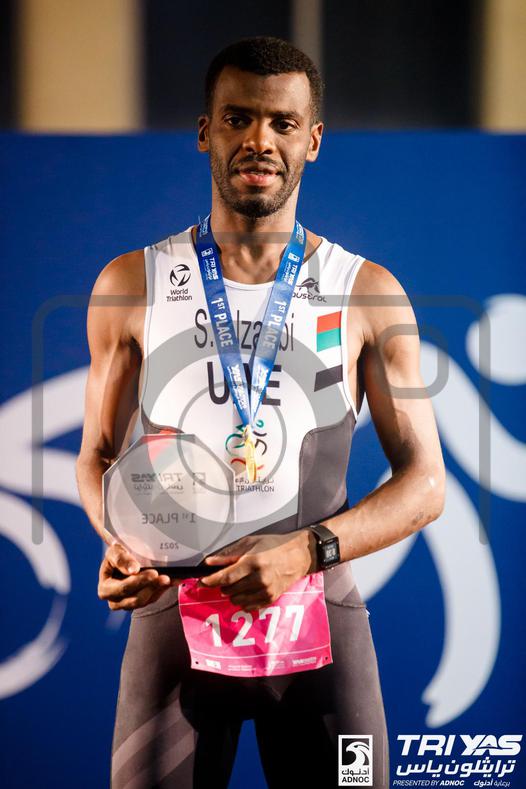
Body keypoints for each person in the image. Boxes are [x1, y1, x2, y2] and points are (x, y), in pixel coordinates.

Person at [76, 36, 445, 789]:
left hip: (319, 627)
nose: (259, 140)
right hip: (176, 624)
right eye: (237, 118)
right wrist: (117, 540)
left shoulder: (367, 293)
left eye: (282, 123)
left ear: (314, 140)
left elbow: (426, 484)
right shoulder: (131, 283)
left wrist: (307, 551)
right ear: (204, 131)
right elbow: (97, 458)